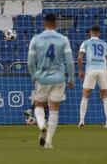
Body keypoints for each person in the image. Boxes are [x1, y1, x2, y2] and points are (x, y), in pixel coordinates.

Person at [28, 14, 75, 149]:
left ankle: (42, 125)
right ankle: (48, 141)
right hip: (59, 78)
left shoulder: (36, 39)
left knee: (39, 105)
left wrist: (34, 75)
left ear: (44, 23)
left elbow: (30, 62)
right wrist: (71, 78)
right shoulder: (63, 39)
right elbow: (69, 62)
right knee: (54, 109)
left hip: (42, 78)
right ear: (55, 24)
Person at [78, 25, 107, 128]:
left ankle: (82, 121)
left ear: (90, 33)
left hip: (91, 70)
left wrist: (80, 71)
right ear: (99, 33)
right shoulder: (104, 43)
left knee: (85, 95)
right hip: (102, 70)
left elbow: (79, 58)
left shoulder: (86, 43)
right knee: (105, 96)